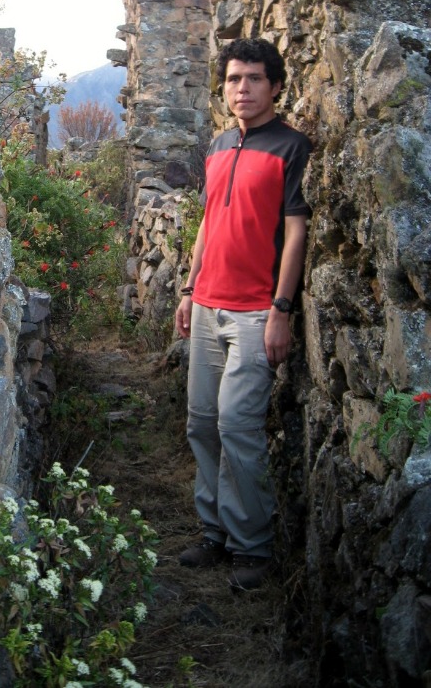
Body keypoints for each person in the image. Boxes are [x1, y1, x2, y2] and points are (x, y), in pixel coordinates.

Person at [175, 37, 311, 591]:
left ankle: (252, 545)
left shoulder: (291, 147)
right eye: (234, 79)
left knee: (238, 425)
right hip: (207, 303)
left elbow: (297, 230)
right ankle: (215, 532)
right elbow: (209, 221)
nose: (243, 89)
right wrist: (188, 287)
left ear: (275, 86)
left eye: (254, 79)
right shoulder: (217, 145)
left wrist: (282, 308)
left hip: (257, 311)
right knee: (202, 424)